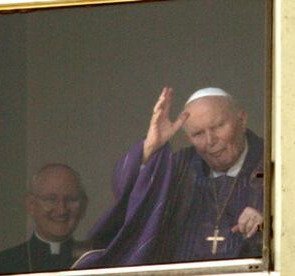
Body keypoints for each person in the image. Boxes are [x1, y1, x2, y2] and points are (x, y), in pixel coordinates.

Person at [74, 87, 264, 269]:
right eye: (198, 133)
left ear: (242, 119)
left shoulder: (275, 163)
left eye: (218, 126)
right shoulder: (179, 167)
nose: (210, 141)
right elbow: (126, 192)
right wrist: (151, 146)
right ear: (189, 138)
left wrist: (268, 223)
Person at [0, 163, 88, 275]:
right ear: (31, 205)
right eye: (51, 200)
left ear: (83, 206)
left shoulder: (96, 262)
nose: (61, 210)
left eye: (71, 200)